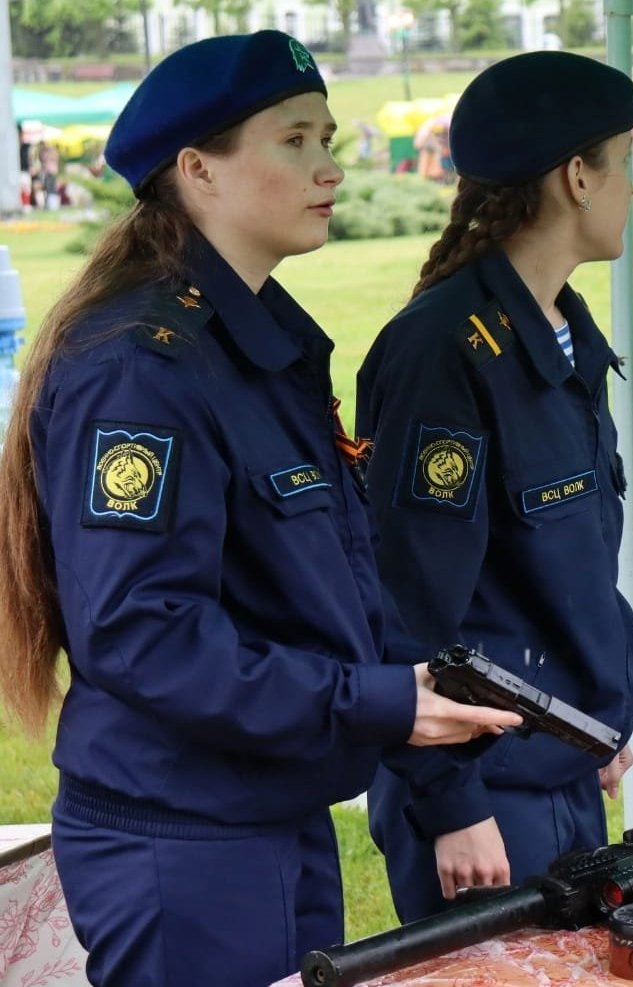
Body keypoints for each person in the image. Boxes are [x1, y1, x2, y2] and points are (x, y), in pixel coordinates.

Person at [0, 32, 521, 987]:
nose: (330, 168)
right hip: (183, 838)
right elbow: (143, 634)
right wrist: (376, 703)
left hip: (267, 809)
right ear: (198, 170)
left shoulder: (254, 342)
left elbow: (330, 577)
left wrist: (406, 701)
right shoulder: (141, 368)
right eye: (294, 140)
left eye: (327, 137)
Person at [358, 51, 633, 922]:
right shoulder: (442, 351)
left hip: (557, 766)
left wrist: (595, 720)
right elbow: (405, 604)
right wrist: (450, 805)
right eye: (626, 161)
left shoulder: (562, 331)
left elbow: (568, 562)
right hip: (482, 791)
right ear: (577, 178)